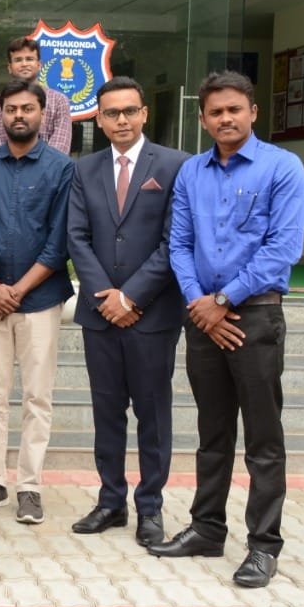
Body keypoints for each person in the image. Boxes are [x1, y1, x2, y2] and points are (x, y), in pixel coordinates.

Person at [149, 71, 304, 589]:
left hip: (255, 317)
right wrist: (201, 304)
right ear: (203, 118)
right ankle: (206, 528)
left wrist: (223, 301)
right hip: (202, 319)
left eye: (234, 110)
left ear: (252, 112)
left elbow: (281, 248)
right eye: (215, 112)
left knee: (263, 438)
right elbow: (178, 243)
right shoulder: (192, 173)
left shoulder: (283, 168)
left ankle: (263, 547)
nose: (225, 119)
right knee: (211, 434)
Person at [67, 76, 189, 547]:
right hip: (100, 315)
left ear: (144, 114)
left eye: (129, 111)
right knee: (107, 410)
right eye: (111, 113)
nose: (120, 120)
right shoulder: (85, 168)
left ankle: (151, 508)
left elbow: (174, 241)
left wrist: (131, 297)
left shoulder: (176, 166)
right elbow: (76, 236)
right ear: (98, 118)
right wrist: (106, 296)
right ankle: (110, 500)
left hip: (153, 315)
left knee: (153, 414)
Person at [0, 79, 74, 526]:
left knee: (37, 398)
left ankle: (29, 486)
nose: (18, 116)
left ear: (42, 113)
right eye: (11, 108)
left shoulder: (61, 167)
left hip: (41, 300)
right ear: (0, 114)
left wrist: (19, 290)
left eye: (27, 108)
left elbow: (59, 241)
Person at [0, 37, 73, 154]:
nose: (24, 64)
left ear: (39, 64)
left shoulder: (59, 101)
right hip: (3, 170)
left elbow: (61, 146)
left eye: (29, 59)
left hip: (48, 170)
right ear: (10, 67)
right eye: (18, 60)